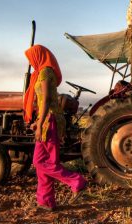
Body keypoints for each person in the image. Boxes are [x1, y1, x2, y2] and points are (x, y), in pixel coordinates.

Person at [24, 45, 87, 211]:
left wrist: (40, 124)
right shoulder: (43, 72)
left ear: (38, 56)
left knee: (41, 162)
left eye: (31, 58)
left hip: (50, 121)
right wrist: (38, 121)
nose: (31, 63)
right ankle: (46, 201)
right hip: (46, 119)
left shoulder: (45, 72)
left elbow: (45, 101)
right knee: (42, 162)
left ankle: (76, 181)